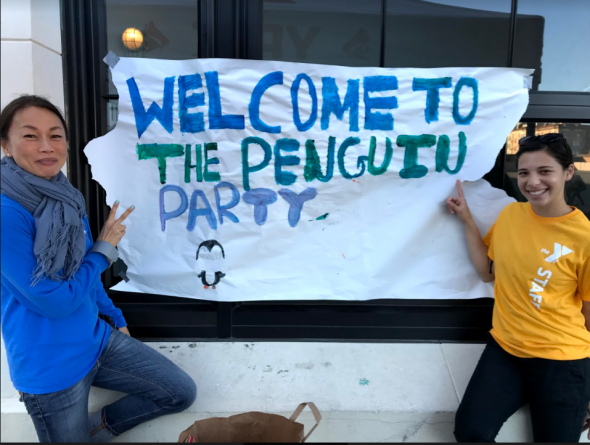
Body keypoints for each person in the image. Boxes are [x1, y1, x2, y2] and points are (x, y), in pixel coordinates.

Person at [0, 95, 197, 442]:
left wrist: (115, 317)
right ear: (5, 145)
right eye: (30, 136)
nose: (47, 147)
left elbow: (83, 277)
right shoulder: (7, 212)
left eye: (56, 135)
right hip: (50, 368)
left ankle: (93, 432)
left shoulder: (64, 197)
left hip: (95, 341)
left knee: (179, 392)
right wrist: (103, 250)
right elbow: (52, 300)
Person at [446, 133, 590, 442]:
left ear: (568, 173)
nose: (532, 181)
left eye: (545, 171)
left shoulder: (585, 238)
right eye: (524, 172)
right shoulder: (511, 215)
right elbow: (487, 272)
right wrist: (468, 220)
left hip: (562, 361)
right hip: (505, 352)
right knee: (470, 432)